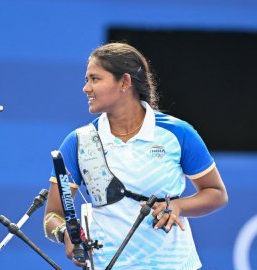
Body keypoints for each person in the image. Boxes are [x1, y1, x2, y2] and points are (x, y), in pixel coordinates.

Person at [43, 42, 228, 269]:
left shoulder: (178, 133)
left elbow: (216, 193)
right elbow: (52, 216)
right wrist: (64, 233)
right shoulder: (78, 141)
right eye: (86, 80)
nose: (86, 88)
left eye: (95, 79)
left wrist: (179, 206)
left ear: (125, 82)